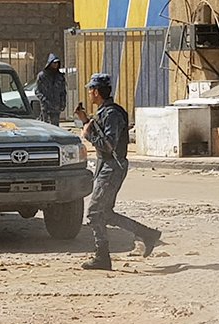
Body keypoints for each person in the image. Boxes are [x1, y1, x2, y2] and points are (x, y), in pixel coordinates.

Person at [78, 73, 160, 271]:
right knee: (105, 213)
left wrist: (88, 134)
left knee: (94, 212)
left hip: (111, 167)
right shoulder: (105, 112)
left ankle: (102, 257)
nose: (89, 93)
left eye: (90, 90)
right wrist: (85, 121)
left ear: (96, 92)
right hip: (106, 166)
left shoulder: (112, 113)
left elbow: (109, 145)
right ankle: (147, 234)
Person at [36, 55, 67, 125]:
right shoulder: (42, 76)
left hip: (56, 107)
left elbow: (63, 91)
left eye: (57, 63)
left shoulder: (60, 77)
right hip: (46, 107)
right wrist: (44, 100)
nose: (56, 65)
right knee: (46, 126)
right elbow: (37, 91)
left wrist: (63, 103)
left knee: (55, 127)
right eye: (54, 63)